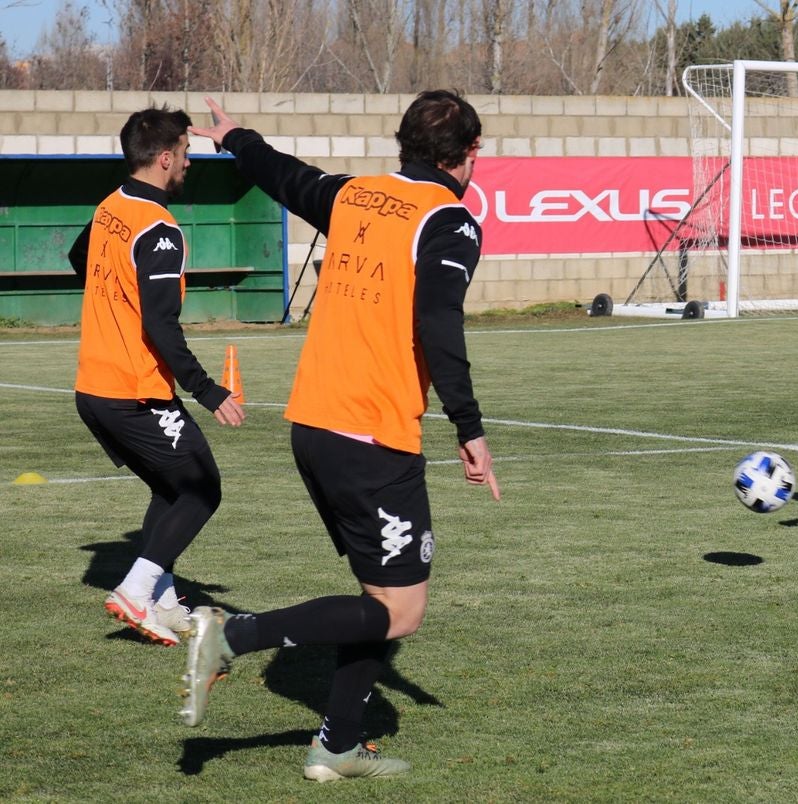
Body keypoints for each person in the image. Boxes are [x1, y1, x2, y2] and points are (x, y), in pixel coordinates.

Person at [179, 90, 501, 782]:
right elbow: (440, 329)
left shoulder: (356, 196)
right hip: (371, 436)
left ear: (403, 145)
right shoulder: (451, 222)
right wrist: (470, 431)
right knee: (401, 611)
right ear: (469, 155)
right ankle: (233, 636)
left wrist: (237, 137)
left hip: (316, 423)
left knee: (377, 602)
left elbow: (284, 173)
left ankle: (337, 746)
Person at [71, 106, 246, 648]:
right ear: (166, 157)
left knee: (170, 488)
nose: (189, 164)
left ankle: (164, 600)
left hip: (94, 386)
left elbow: (80, 257)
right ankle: (135, 590)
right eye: (187, 155)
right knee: (200, 489)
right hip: (132, 390)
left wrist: (111, 305)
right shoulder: (160, 228)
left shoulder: (110, 207)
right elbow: (162, 326)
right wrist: (209, 390)